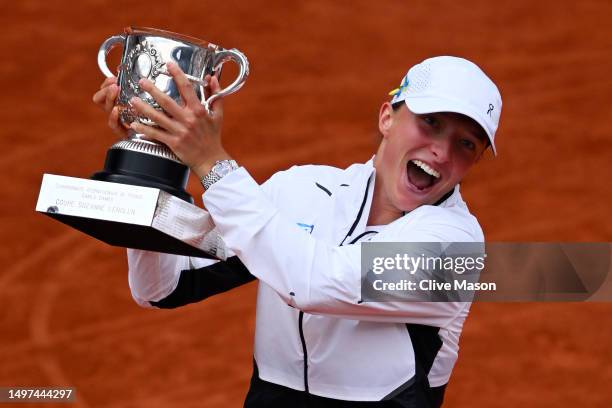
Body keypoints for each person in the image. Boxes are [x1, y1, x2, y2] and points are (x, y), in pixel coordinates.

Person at [93, 56, 502, 407]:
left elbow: (314, 282)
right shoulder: (300, 190)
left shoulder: (455, 247)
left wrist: (211, 162)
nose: (442, 152)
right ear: (387, 117)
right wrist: (154, 157)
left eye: (466, 145)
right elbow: (162, 287)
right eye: (430, 123)